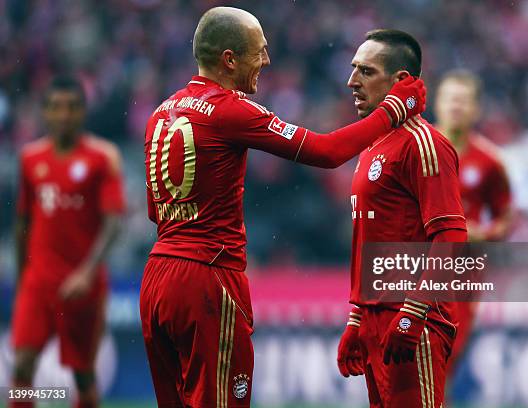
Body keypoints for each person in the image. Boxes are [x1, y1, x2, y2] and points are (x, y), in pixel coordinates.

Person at [139, 7, 426, 408]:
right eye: (260, 52)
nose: (267, 61)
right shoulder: (229, 110)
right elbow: (328, 152)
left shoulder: (160, 113)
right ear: (229, 60)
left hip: (156, 278)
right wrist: (392, 110)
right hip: (207, 277)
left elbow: (157, 212)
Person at [336, 29, 467, 408]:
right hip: (377, 320)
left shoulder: (425, 144)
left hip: (414, 320)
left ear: (401, 82)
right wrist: (358, 317)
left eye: (366, 71)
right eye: (353, 69)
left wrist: (413, 311)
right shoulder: (373, 145)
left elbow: (452, 237)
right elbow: (369, 240)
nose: (352, 81)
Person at [11, 76, 125, 408]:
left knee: (83, 375)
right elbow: (23, 223)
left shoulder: (102, 158)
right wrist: (23, 282)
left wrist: (87, 272)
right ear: (44, 112)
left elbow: (114, 222)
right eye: (56, 107)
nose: (64, 115)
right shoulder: (30, 158)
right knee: (21, 367)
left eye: (72, 107)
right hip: (39, 282)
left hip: (82, 286)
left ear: (83, 112)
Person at [434, 69, 512, 379]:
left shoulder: (491, 162)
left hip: (462, 279)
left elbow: (504, 220)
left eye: (463, 101)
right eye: (450, 99)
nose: (456, 107)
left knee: (444, 361)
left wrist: (481, 234)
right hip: (413, 269)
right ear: (437, 104)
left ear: (475, 109)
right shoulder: (414, 150)